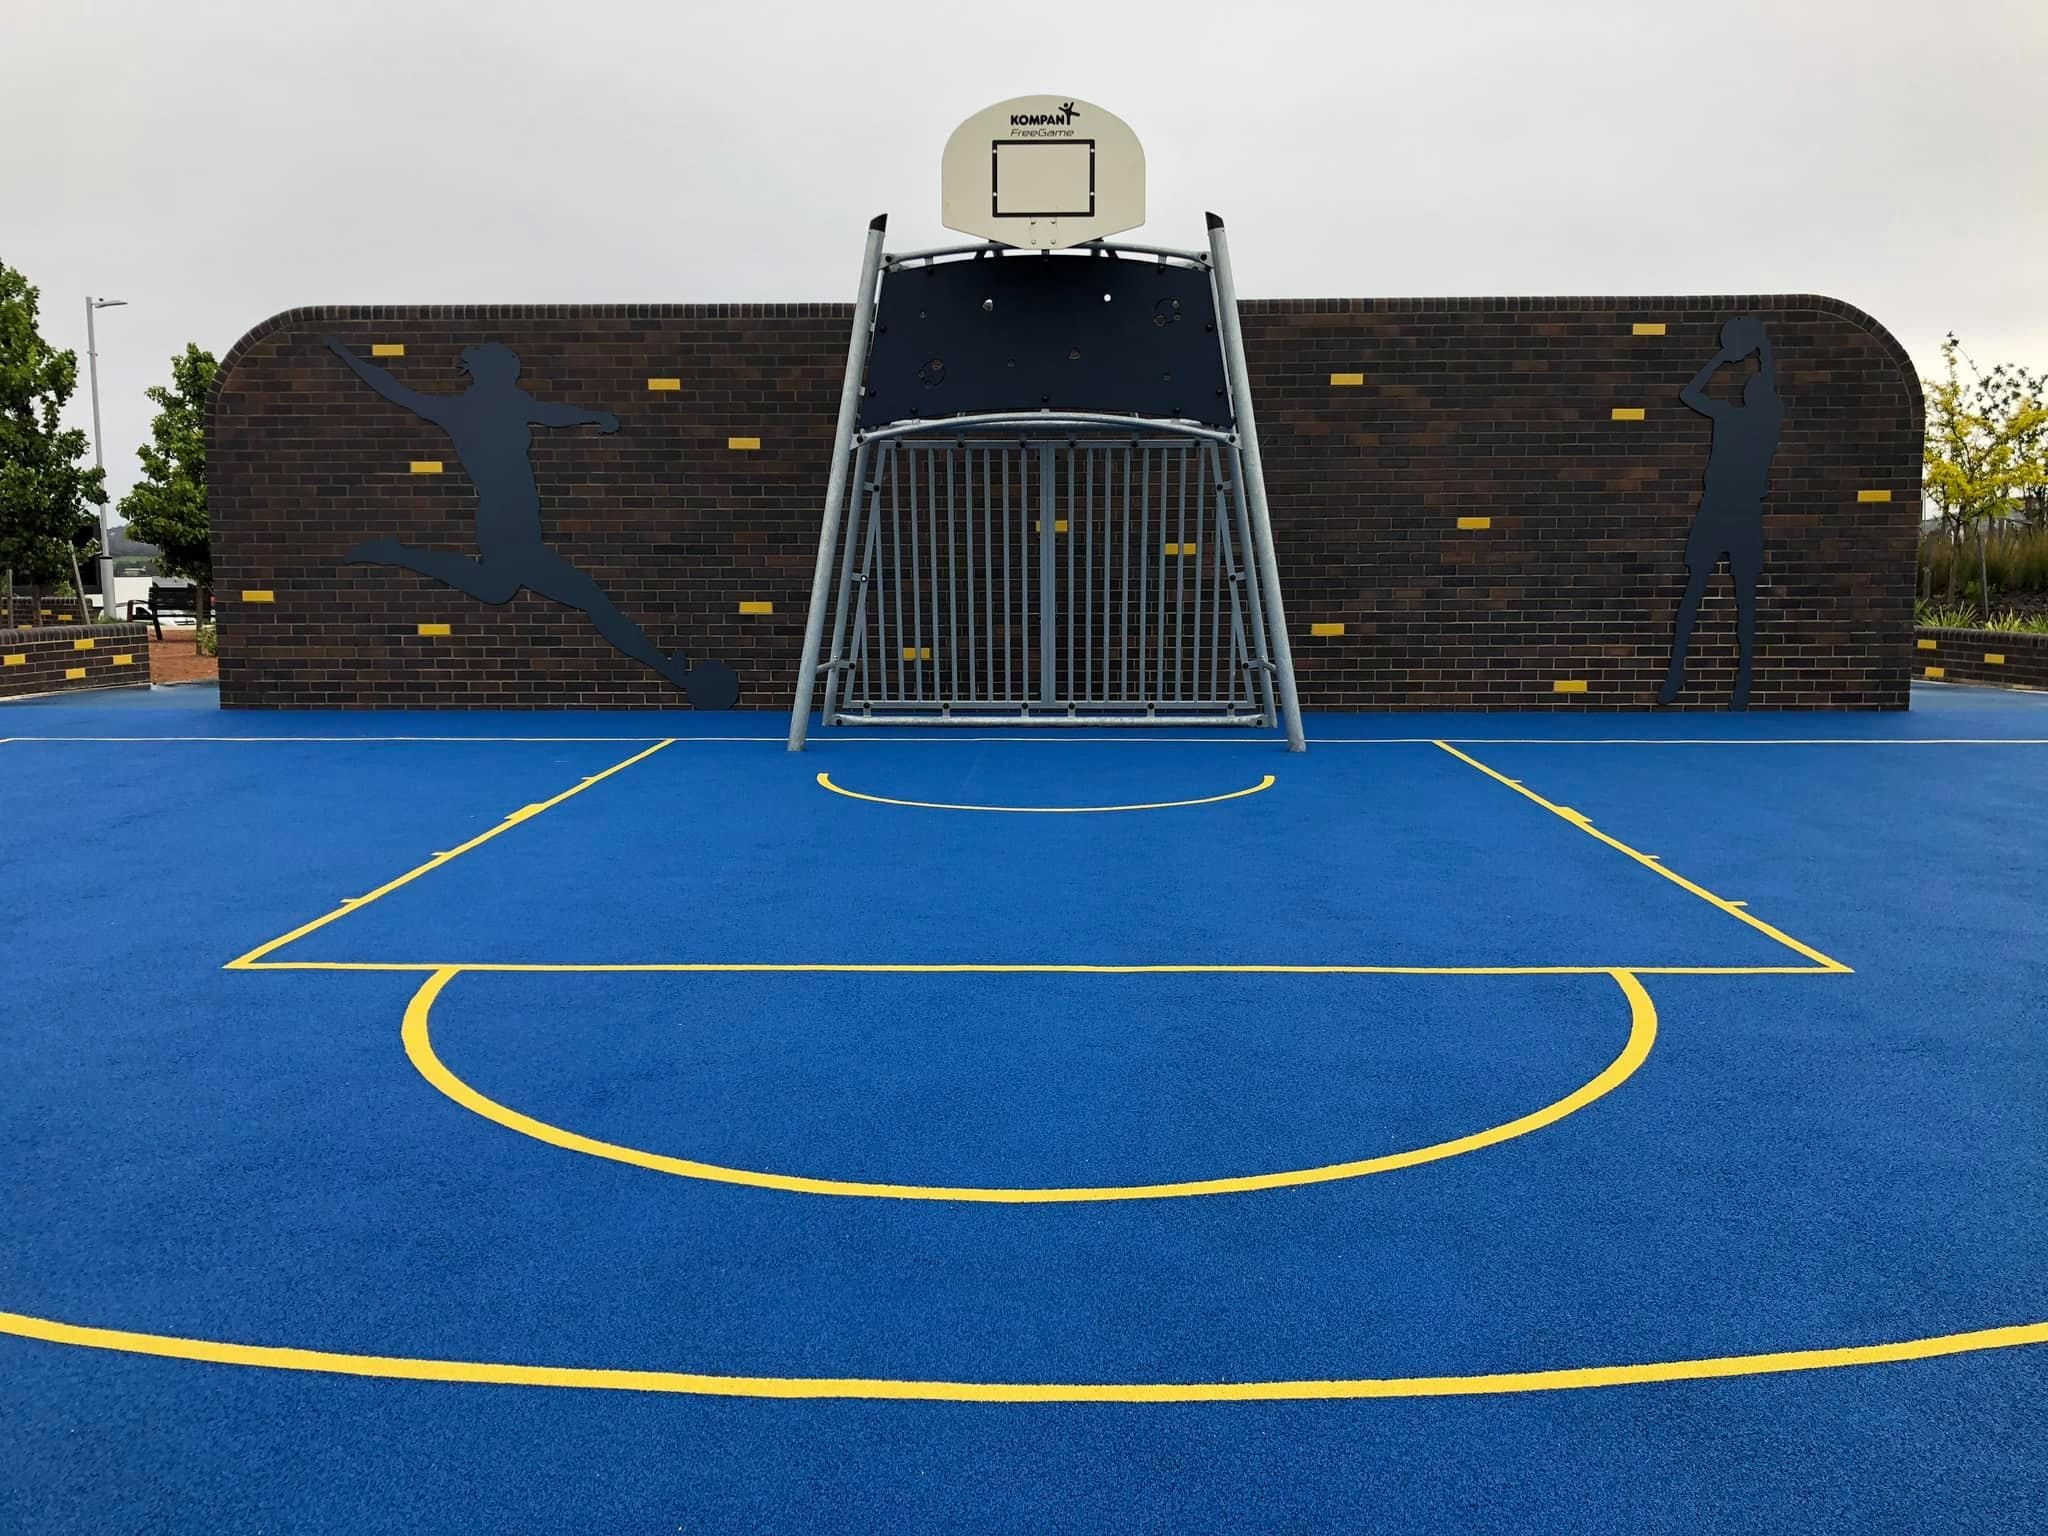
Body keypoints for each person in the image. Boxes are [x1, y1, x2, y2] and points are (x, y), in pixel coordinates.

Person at [326, 338, 737, 708]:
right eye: (509, 373)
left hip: (513, 526)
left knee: (495, 589)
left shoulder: (512, 404)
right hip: (509, 528)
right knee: (589, 601)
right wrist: (346, 355)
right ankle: (672, 672)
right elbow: (395, 390)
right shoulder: (460, 409)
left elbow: (554, 413)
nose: (515, 380)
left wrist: (593, 415)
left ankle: (395, 553)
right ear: (491, 375)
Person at [1659, 317, 1783, 710]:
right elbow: (1689, 394)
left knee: (1740, 599)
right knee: (1698, 592)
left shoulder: (1757, 420)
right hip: (1718, 511)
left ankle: (1741, 681)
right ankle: (1677, 674)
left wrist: (1727, 357)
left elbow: (1693, 391)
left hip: (1740, 514)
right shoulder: (1740, 419)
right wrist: (1747, 350)